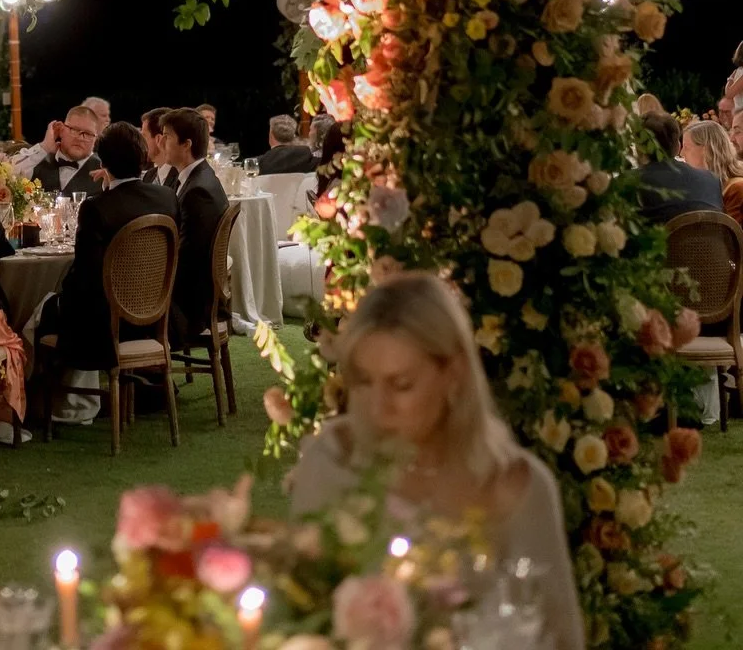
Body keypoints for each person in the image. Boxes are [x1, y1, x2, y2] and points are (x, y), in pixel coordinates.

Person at [290, 271, 584, 650]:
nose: (379, 408)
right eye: (364, 381)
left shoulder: (515, 486)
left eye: (402, 385)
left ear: (454, 374)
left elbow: (562, 638)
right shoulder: (334, 460)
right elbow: (297, 610)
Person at [44, 122, 177, 366]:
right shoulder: (167, 197)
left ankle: (70, 401)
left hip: (107, 324)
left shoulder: (96, 208)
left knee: (44, 310)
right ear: (143, 156)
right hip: (158, 313)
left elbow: (86, 276)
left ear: (102, 162)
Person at [160, 107, 227, 343]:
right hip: (190, 299)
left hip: (190, 310)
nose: (161, 142)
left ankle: (144, 376)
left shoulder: (199, 191)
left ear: (186, 144)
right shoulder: (197, 178)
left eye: (167, 136)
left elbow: (188, 260)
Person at [637, 111, 723, 221]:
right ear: (678, 146)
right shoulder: (712, 180)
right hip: (712, 238)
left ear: (639, 148)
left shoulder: (630, 184)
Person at [17, 106, 102, 193]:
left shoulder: (105, 171)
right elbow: (10, 176)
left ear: (95, 139)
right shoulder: (37, 161)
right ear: (61, 130)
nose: (80, 138)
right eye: (74, 130)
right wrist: (45, 146)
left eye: (88, 134)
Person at [683, 120, 743, 226]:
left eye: (686, 147)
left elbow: (729, 235)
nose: (681, 153)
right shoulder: (705, 186)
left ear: (706, 151)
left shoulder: (736, 188)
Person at [140, 107, 170, 185]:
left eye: (144, 137)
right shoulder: (148, 176)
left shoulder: (181, 178)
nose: (140, 143)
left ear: (159, 139)